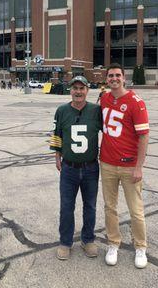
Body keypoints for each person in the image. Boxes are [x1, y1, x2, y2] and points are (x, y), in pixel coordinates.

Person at [100, 63, 149, 269]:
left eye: (117, 75)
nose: (114, 78)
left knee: (135, 210)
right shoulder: (104, 98)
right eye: (110, 75)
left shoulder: (135, 102)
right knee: (110, 207)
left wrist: (139, 166)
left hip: (129, 166)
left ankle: (140, 246)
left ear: (124, 77)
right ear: (107, 79)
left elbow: (144, 136)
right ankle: (113, 243)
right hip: (108, 163)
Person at [50, 76, 102, 261]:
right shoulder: (62, 110)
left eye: (82, 88)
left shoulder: (96, 111)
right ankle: (65, 242)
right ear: (70, 90)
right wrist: (57, 156)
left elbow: (110, 133)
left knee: (90, 206)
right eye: (75, 88)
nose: (78, 91)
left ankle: (88, 239)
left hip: (90, 167)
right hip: (69, 168)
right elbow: (56, 135)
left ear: (87, 90)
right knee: (66, 207)